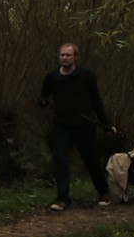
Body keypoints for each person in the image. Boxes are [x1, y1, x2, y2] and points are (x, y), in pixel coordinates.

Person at [37, 43, 118, 210]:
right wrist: (43, 102)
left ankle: (103, 192)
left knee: (91, 159)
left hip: (84, 124)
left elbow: (97, 101)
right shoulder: (52, 77)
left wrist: (106, 125)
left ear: (75, 57)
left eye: (68, 55)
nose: (64, 58)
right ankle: (63, 199)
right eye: (62, 55)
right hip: (61, 125)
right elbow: (43, 97)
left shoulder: (86, 75)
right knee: (61, 160)